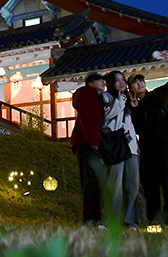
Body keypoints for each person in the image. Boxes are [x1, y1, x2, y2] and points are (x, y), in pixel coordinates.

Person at [128, 50, 168, 231]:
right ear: (131, 88)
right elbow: (137, 129)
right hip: (147, 148)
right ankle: (154, 221)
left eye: (141, 80)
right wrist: (134, 110)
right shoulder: (133, 106)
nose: (139, 83)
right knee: (150, 185)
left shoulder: (157, 96)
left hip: (166, 145)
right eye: (135, 82)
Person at [102, 70, 139, 228]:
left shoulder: (127, 98)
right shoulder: (106, 97)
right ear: (110, 83)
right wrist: (119, 101)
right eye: (117, 80)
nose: (121, 83)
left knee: (133, 184)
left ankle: (130, 220)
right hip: (115, 145)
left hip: (130, 147)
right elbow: (105, 116)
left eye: (123, 80)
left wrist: (133, 106)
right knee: (114, 184)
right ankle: (112, 219)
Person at [71, 73, 106, 226]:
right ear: (90, 82)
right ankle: (92, 218)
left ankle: (93, 217)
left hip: (85, 142)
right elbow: (89, 118)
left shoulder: (92, 95)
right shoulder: (88, 93)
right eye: (100, 80)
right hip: (87, 143)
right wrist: (94, 141)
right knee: (92, 180)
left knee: (92, 180)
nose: (103, 83)